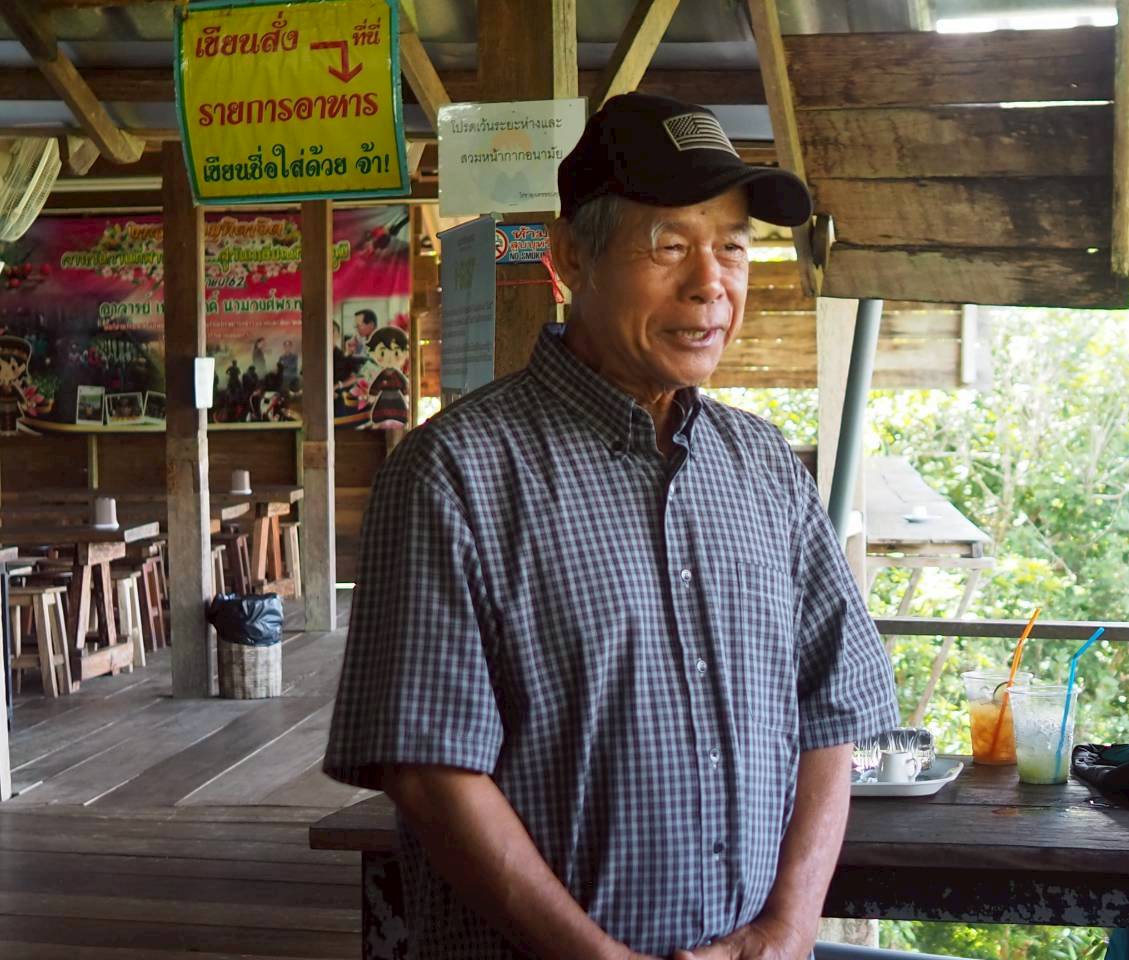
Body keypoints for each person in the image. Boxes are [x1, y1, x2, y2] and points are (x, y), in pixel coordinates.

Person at [324, 93, 899, 960]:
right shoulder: (454, 473)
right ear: (570, 257)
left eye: (733, 247)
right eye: (670, 244)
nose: (711, 283)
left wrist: (785, 932)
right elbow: (429, 771)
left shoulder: (765, 468)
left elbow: (833, 710)